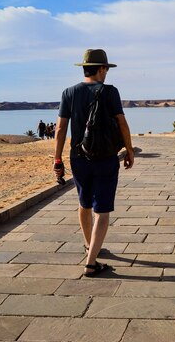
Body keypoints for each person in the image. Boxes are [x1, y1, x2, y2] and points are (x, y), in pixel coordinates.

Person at [53, 48, 134, 277]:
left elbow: (60, 129)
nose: (106, 72)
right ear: (101, 69)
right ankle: (91, 263)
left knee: (84, 203)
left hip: (78, 157)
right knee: (103, 209)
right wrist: (129, 150)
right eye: (106, 68)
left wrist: (57, 159)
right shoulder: (110, 92)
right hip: (105, 157)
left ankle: (90, 246)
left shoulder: (69, 92)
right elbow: (122, 124)